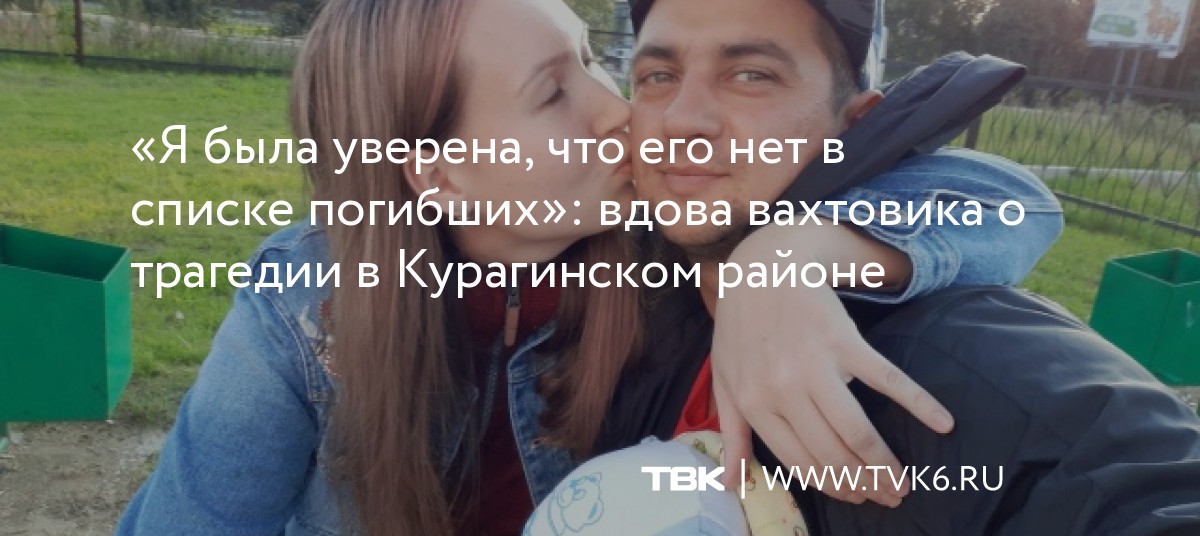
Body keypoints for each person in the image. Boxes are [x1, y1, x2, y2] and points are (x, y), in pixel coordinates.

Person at [114, 0, 1063, 534]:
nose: (618, 111)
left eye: (592, 62)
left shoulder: (660, 234)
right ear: (437, 173)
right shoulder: (307, 306)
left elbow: (1006, 198)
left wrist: (792, 255)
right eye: (552, 93)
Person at [530, 0, 1200, 534]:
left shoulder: (949, 357)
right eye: (658, 76)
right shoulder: (620, 291)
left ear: (854, 126)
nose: (682, 120)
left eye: (751, 74)